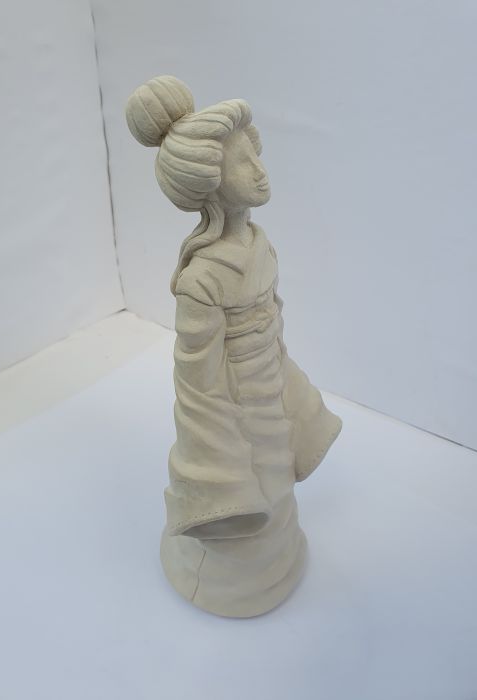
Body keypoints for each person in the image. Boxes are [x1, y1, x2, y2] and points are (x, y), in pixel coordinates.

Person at [126, 75, 342, 617]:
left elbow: (275, 325)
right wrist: (216, 463)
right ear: (210, 183)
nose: (260, 169)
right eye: (242, 162)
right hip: (233, 407)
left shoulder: (261, 245)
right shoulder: (201, 279)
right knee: (253, 486)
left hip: (272, 388)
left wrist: (290, 387)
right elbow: (196, 383)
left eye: (255, 154)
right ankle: (225, 575)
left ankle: (274, 557)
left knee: (277, 477)